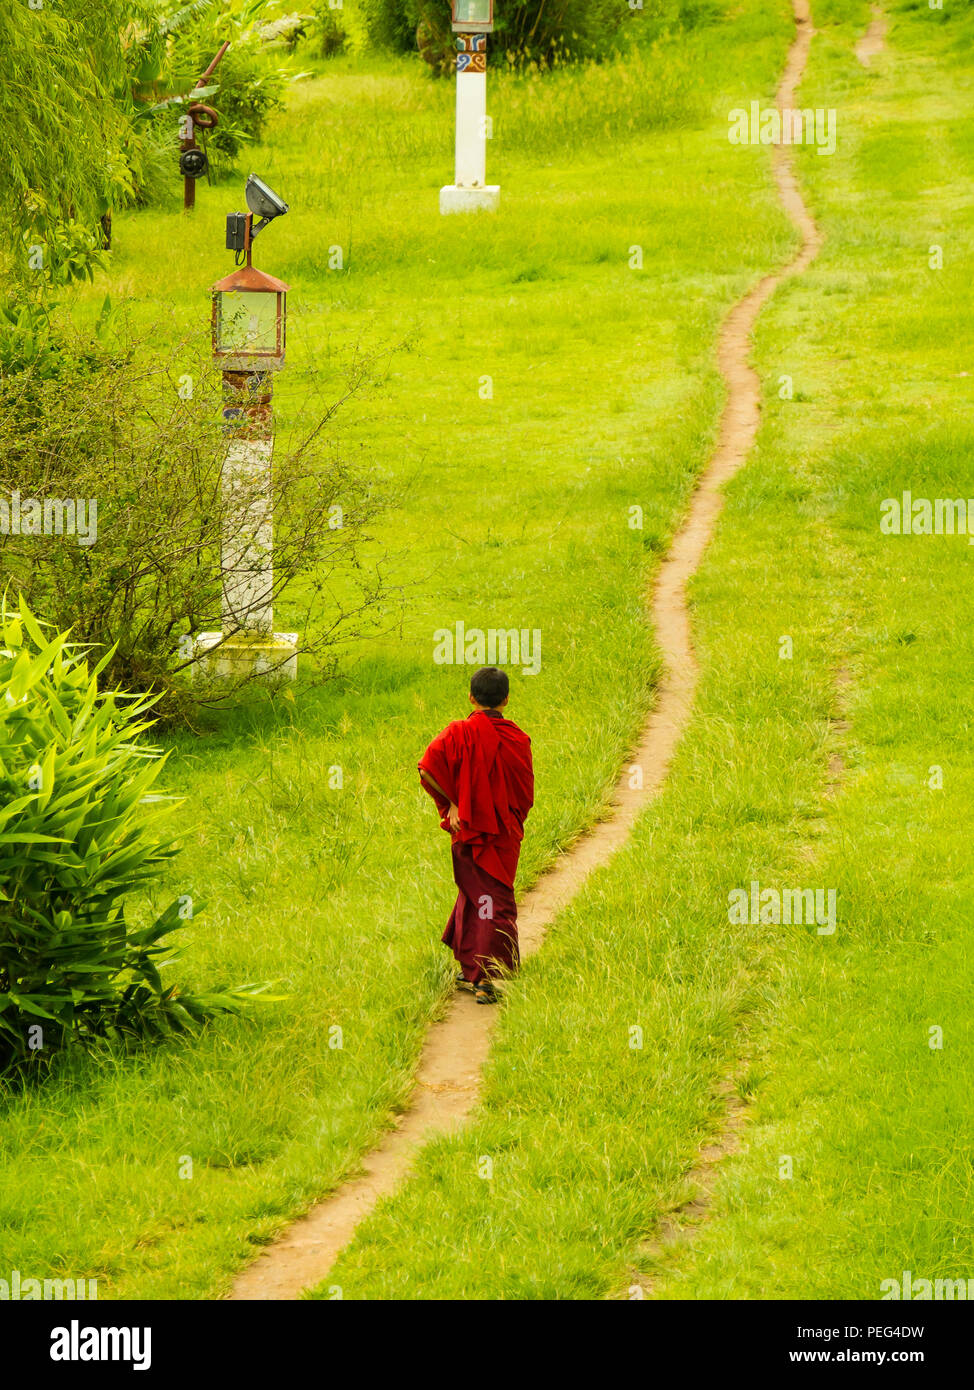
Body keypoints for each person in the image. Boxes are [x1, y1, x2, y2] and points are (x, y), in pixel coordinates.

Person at [418, 666, 534, 1004]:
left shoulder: (457, 733)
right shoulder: (518, 739)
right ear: (507, 699)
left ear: (471, 697)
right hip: (502, 835)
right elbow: (524, 794)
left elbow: (426, 768)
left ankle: (474, 971)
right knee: (492, 900)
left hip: (467, 831)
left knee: (479, 897)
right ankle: (486, 978)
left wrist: (454, 803)